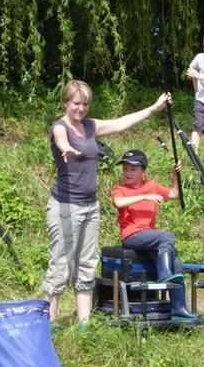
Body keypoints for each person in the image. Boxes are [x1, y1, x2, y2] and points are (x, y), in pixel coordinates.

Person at [43, 79, 170, 328]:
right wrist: (66, 148)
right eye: (76, 103)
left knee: (87, 263)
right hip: (65, 206)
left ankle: (84, 323)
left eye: (85, 104)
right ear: (65, 102)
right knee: (61, 263)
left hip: (90, 207)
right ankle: (49, 322)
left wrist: (154, 108)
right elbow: (60, 138)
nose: (81, 108)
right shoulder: (60, 127)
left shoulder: (90, 126)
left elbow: (121, 123)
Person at [110, 149, 197, 320]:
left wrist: (174, 175)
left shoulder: (152, 186)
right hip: (131, 236)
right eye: (125, 169)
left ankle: (178, 309)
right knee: (167, 236)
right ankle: (164, 275)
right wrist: (145, 197)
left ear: (143, 171)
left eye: (133, 169)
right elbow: (118, 202)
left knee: (175, 262)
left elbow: (175, 194)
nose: (128, 173)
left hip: (148, 237)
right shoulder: (120, 189)